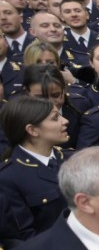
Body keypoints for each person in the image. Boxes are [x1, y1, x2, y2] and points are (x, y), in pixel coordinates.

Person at [0, 96, 69, 239]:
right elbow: (22, 237)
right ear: (32, 130)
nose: (65, 121)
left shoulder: (71, 158)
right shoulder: (8, 177)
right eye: (55, 118)